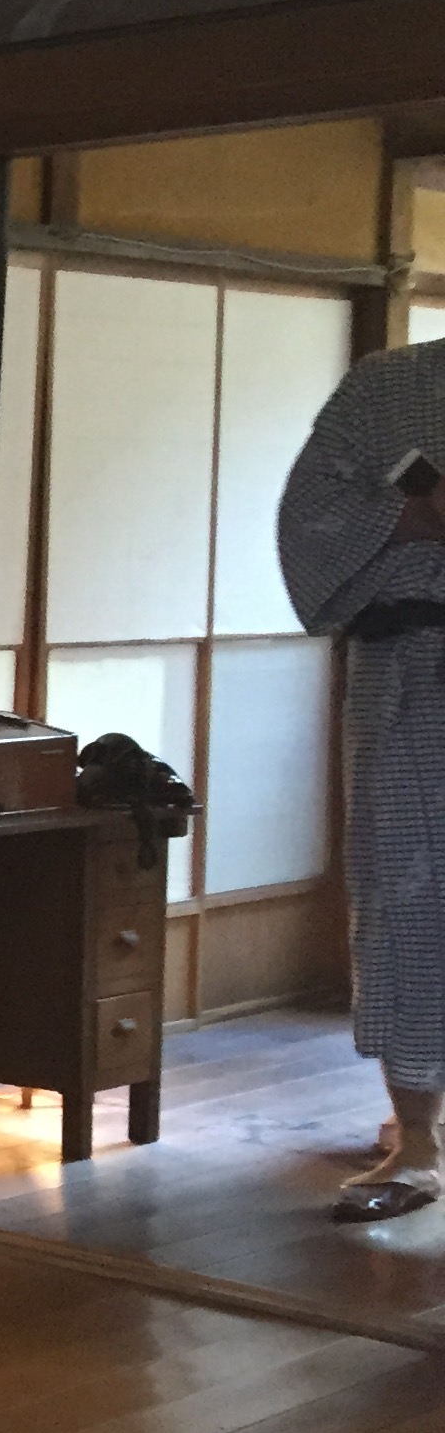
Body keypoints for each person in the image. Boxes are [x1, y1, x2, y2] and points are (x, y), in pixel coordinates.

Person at [280, 342, 445, 1222]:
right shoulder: (386, 386)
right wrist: (412, 514)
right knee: (404, 897)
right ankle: (418, 1134)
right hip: (406, 672)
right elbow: (311, 510)